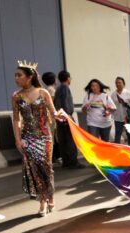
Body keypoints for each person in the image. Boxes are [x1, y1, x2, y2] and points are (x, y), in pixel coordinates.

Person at [11, 62, 62, 216]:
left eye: (19, 75)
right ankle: (43, 201)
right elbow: (16, 119)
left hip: (45, 136)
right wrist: (18, 139)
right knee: (34, 169)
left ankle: (50, 195)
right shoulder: (16, 96)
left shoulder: (43, 93)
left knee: (46, 167)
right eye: (15, 75)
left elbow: (53, 113)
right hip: (28, 137)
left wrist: (61, 115)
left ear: (30, 77)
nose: (16, 78)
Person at [54, 70, 79, 168]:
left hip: (59, 118)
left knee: (63, 140)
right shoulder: (65, 88)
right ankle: (73, 162)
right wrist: (68, 116)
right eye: (70, 78)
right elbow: (66, 104)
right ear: (68, 78)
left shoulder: (58, 89)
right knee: (70, 140)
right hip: (66, 117)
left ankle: (66, 161)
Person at [111, 76, 130, 145]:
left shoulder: (127, 93)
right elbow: (111, 106)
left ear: (123, 84)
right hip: (118, 118)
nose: (118, 84)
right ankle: (117, 149)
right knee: (118, 134)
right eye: (116, 83)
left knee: (129, 133)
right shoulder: (113, 94)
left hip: (127, 117)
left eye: (119, 82)